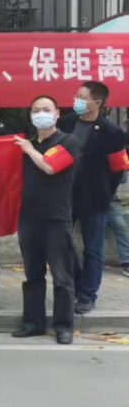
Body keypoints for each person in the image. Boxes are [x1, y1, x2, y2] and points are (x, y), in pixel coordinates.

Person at [12, 96, 81, 345]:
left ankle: (63, 326)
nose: (41, 113)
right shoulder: (26, 144)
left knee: (62, 275)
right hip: (28, 217)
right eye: (36, 110)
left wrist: (29, 150)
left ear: (57, 114)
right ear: (30, 115)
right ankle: (33, 322)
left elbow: (50, 168)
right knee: (33, 274)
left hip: (56, 218)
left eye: (46, 109)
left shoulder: (68, 141)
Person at [56, 81, 127, 314]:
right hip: (65, 196)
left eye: (81, 97)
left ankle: (88, 295)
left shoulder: (111, 132)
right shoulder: (65, 124)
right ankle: (76, 285)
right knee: (62, 244)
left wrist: (104, 193)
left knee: (93, 249)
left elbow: (118, 169)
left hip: (95, 199)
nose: (76, 100)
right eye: (76, 95)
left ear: (96, 103)